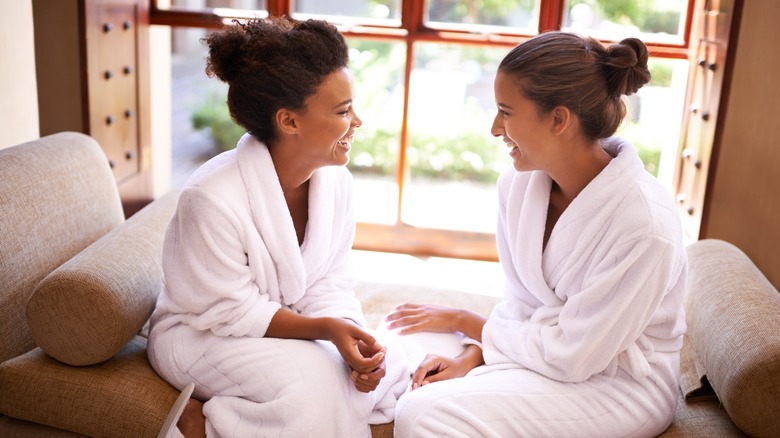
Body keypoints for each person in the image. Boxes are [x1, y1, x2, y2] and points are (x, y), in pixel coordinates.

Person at [385, 31, 688, 437]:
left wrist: (468, 323)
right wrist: (474, 355)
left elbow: (575, 356)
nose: (495, 128)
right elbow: (522, 303)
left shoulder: (644, 225)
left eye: (506, 112)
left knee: (425, 414)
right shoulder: (519, 186)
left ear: (559, 119)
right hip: (545, 353)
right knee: (397, 357)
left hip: (614, 383)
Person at [148, 17, 409, 438]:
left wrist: (346, 334)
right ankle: (206, 424)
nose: (357, 121)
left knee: (383, 367)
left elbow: (330, 280)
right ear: (289, 121)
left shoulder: (336, 183)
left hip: (282, 323)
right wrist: (325, 330)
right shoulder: (211, 198)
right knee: (316, 386)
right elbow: (229, 311)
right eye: (343, 111)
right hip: (201, 335)